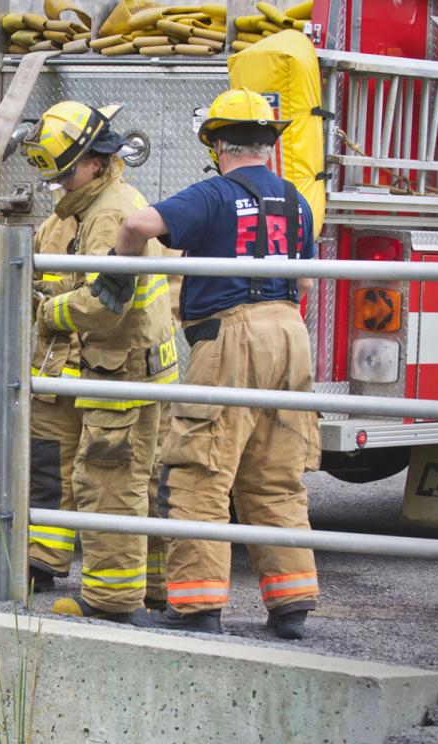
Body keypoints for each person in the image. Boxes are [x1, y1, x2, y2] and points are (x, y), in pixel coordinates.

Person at [116, 88, 320, 639]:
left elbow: (137, 226)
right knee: (275, 475)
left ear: (216, 142)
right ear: (267, 144)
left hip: (231, 336)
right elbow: (303, 280)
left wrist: (117, 271)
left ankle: (197, 607)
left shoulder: (212, 194)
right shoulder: (296, 200)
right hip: (289, 331)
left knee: (200, 471)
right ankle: (291, 606)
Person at [18, 101, 178, 622]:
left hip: (121, 368)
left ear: (94, 160)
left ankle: (111, 600)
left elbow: (105, 305)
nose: (59, 183)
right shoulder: (102, 201)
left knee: (108, 485)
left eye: (65, 171)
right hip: (133, 366)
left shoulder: (108, 212)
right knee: (137, 482)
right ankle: (153, 590)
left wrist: (47, 312)